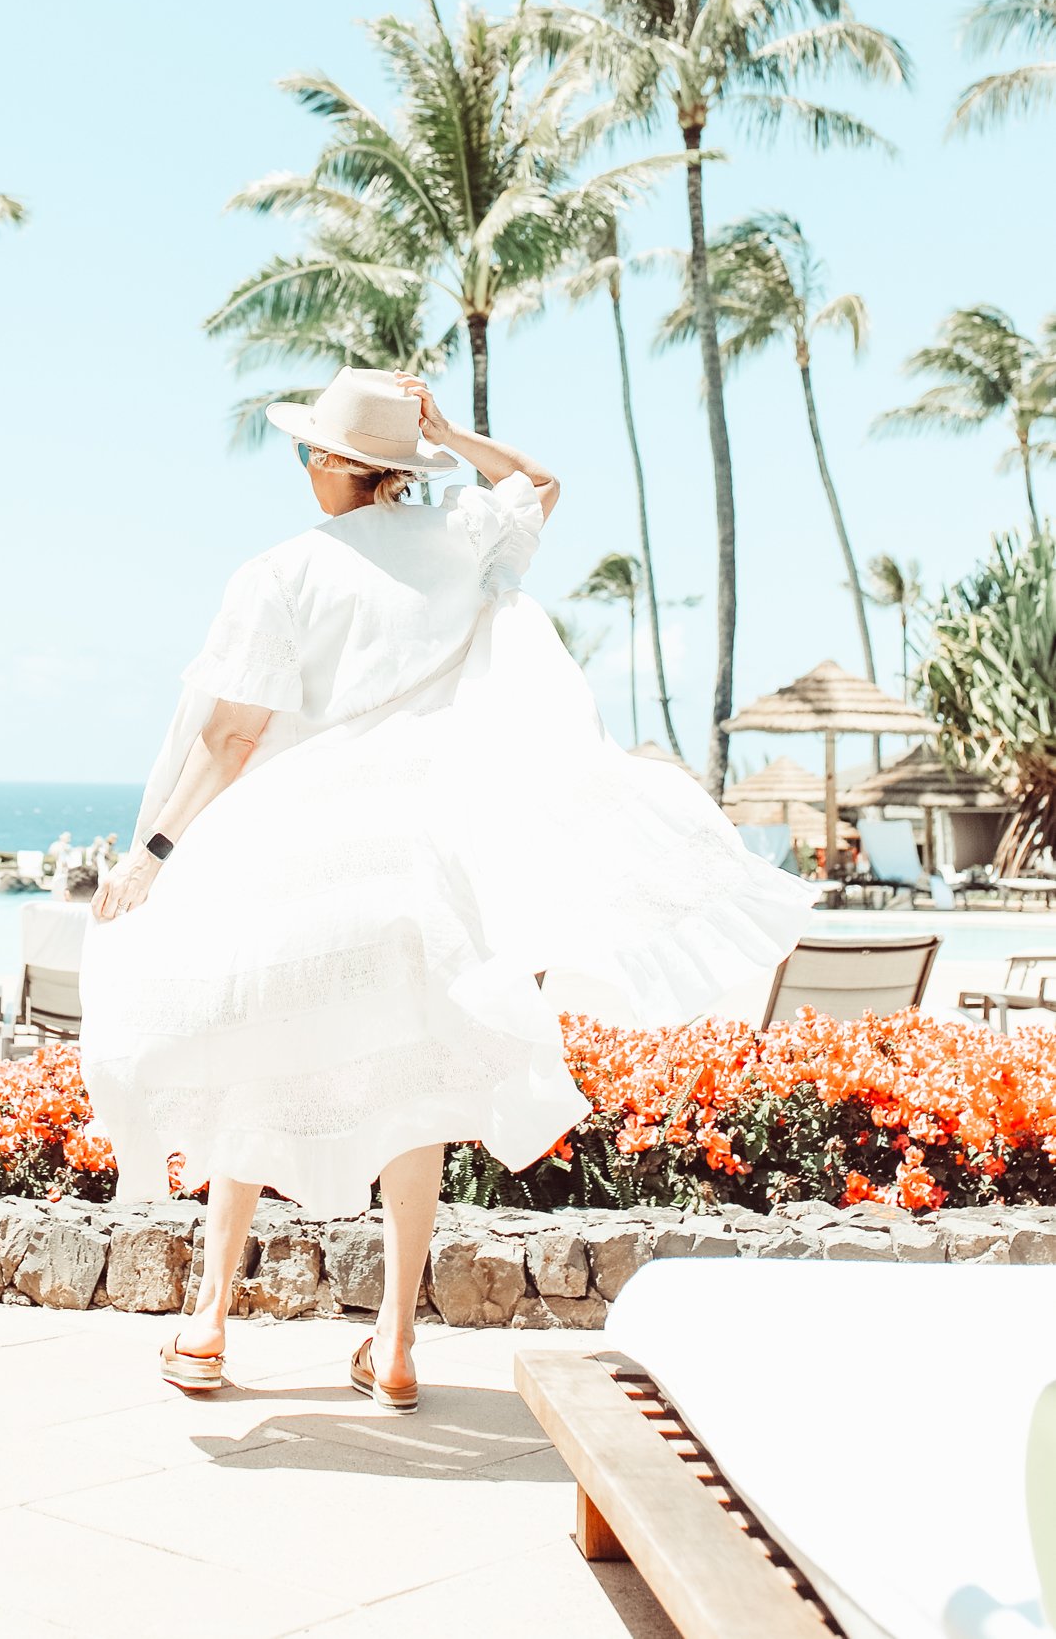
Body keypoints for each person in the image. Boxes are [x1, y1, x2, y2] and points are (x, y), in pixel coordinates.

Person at [81, 367, 811, 1410]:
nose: (302, 469)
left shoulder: (281, 571)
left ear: (337, 464)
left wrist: (150, 852)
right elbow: (541, 481)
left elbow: (229, 735)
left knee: (249, 1069)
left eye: (307, 453)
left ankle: (204, 1325)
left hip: (293, 851)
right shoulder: (462, 538)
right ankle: (391, 1347)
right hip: (420, 865)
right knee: (411, 1092)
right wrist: (453, 434)